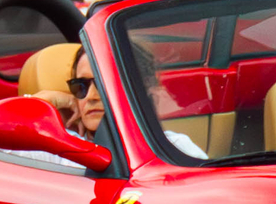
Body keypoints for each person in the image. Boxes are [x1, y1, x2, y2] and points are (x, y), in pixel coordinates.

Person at [36, 48, 207, 161]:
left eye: (104, 84)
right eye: (80, 86)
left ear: (137, 90)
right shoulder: (58, 151)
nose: (91, 97)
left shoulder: (173, 148)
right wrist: (44, 101)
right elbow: (9, 130)